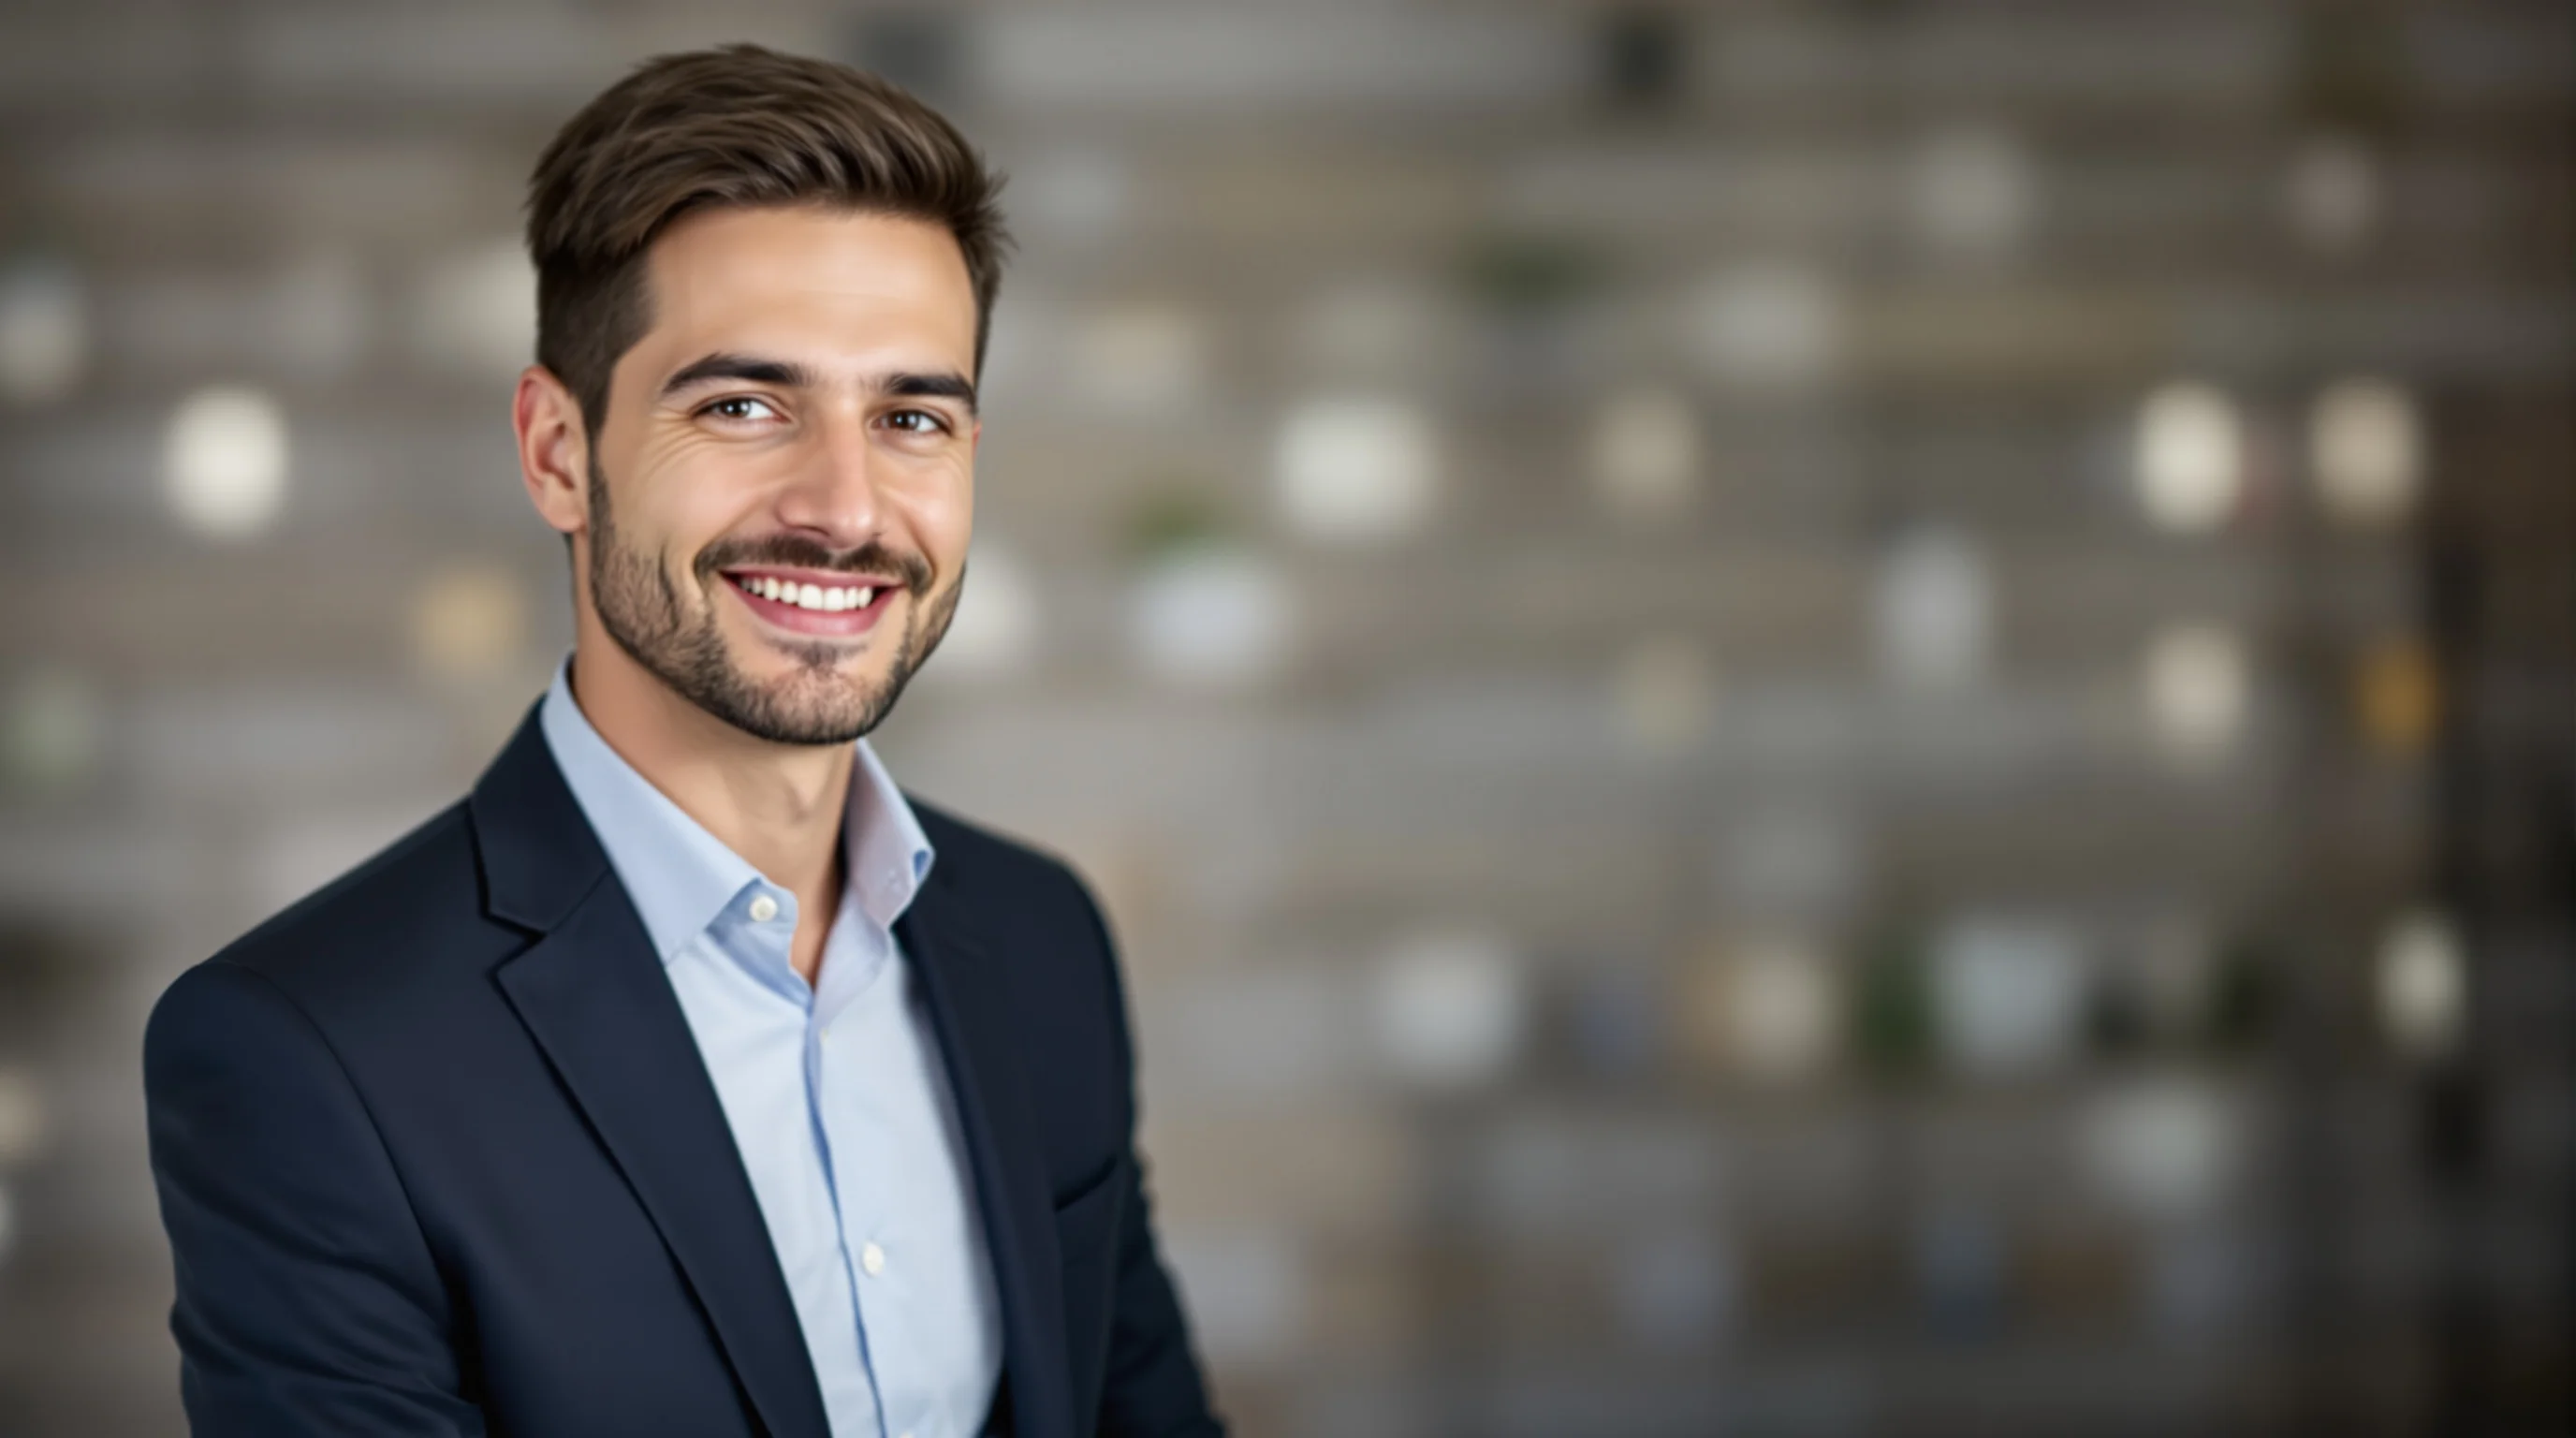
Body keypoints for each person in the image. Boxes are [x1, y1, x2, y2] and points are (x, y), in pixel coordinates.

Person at [141, 44, 1222, 1438]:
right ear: (555, 452)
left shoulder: (1042, 939)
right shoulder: (308, 1056)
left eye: (911, 416)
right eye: (741, 406)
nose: (845, 508)